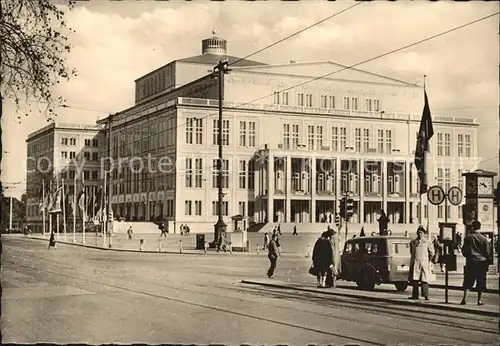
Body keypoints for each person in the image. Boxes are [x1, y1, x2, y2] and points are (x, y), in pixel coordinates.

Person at [460, 221, 491, 306]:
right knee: (480, 281)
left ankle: (464, 299)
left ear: (472, 227)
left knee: (467, 281)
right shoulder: (484, 238)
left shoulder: (468, 238)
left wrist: (468, 256)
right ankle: (479, 300)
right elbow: (487, 252)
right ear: (479, 228)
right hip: (481, 263)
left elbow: (464, 251)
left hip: (471, 262)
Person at [408, 226, 434, 300]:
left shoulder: (427, 242)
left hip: (424, 263)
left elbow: (432, 253)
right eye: (419, 233)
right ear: (417, 233)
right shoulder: (413, 242)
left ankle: (426, 295)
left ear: (424, 234)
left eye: (421, 233)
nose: (420, 234)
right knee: (415, 279)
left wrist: (428, 260)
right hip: (415, 263)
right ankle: (415, 295)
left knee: (424, 280)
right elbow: (411, 252)